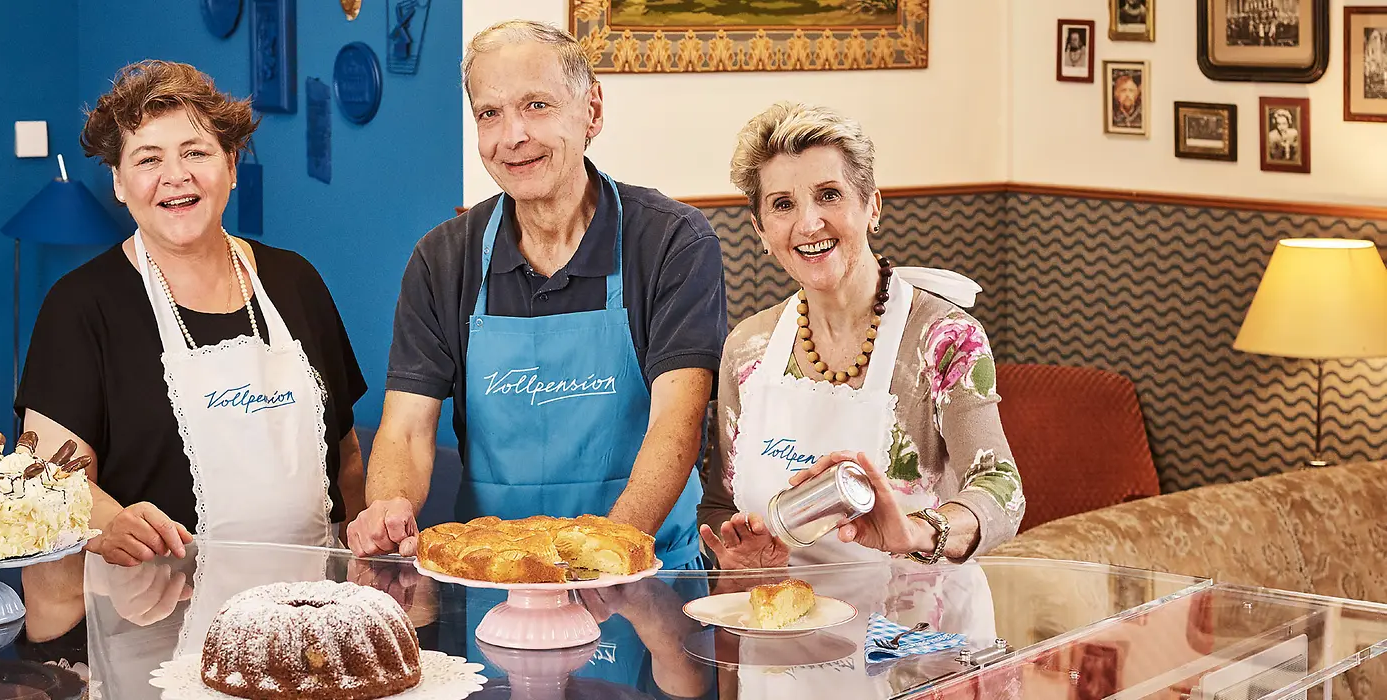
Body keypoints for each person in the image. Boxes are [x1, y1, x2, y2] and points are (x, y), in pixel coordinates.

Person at [12, 59, 369, 659]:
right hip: (149, 630)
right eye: (148, 159)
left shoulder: (296, 281)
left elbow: (346, 455)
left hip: (309, 626)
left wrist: (371, 582)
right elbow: (50, 480)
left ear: (230, 166)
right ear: (120, 184)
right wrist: (110, 522)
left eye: (196, 153)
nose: (174, 177)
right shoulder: (82, 307)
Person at [348, 19, 728, 571]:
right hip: (493, 579)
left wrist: (604, 558)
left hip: (645, 578)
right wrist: (388, 507)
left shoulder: (672, 242)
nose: (512, 136)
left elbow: (677, 423)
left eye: (537, 106)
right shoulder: (442, 259)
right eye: (489, 113)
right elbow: (406, 428)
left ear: (591, 110)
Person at [697, 101, 1026, 570]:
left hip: (919, 634)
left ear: (872, 204)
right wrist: (741, 551)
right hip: (784, 632)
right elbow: (720, 502)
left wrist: (917, 530)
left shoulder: (945, 339)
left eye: (829, 195)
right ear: (761, 230)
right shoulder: (747, 350)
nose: (809, 223)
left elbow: (1001, 487)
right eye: (783, 205)